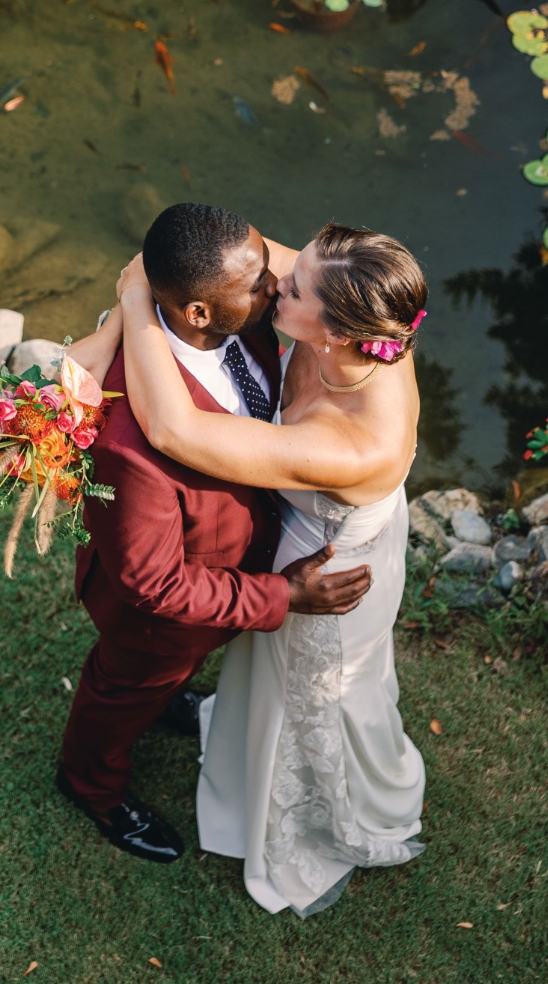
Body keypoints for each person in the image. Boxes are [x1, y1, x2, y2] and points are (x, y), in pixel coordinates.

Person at [113, 219, 427, 917]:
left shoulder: (357, 443)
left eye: (293, 288)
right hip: (300, 534)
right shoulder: (348, 296)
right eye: (296, 264)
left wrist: (135, 302)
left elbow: (173, 430)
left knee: (322, 700)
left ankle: (329, 817)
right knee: (267, 686)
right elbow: (203, 255)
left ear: (333, 333)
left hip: (328, 576)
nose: (277, 281)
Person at [56, 204, 372, 865]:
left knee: (169, 680)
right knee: (122, 691)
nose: (276, 286)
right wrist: (282, 596)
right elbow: (153, 583)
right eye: (256, 282)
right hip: (159, 623)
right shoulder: (128, 441)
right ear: (197, 311)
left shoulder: (245, 325)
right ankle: (90, 785)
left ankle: (170, 699)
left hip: (226, 569)